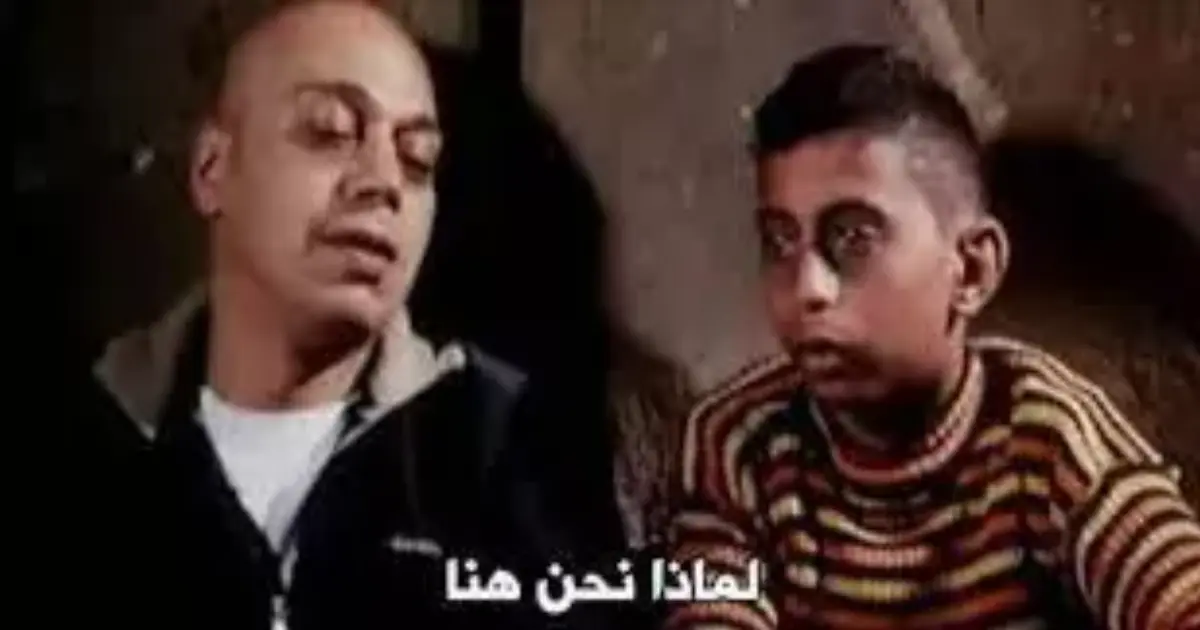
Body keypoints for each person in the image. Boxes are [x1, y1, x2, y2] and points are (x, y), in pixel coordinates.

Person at [48, 1, 623, 628]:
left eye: (418, 159)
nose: (383, 182)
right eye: (329, 131)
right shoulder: (74, 441)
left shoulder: (502, 454)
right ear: (211, 169)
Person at [666, 45, 1200, 630]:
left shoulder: (1047, 437)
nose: (807, 288)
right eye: (780, 242)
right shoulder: (736, 445)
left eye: (854, 238)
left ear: (971, 270)